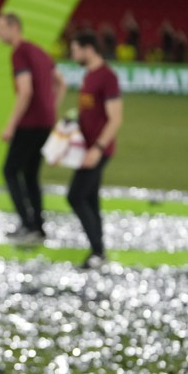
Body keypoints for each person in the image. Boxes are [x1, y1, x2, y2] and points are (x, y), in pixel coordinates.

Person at [0, 12, 66, 244]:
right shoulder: (39, 51)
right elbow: (61, 82)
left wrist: (10, 124)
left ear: (13, 27)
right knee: (30, 175)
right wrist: (51, 108)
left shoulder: (20, 53)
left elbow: (25, 91)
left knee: (9, 171)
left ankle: (28, 224)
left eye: (1, 28)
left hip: (30, 123)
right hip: (45, 122)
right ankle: (38, 226)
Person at [67, 31, 123, 269]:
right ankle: (98, 250)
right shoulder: (89, 76)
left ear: (88, 48)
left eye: (75, 49)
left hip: (99, 150)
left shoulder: (107, 77)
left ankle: (98, 251)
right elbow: (88, 115)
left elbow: (116, 118)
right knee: (90, 198)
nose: (73, 54)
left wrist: (98, 148)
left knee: (75, 196)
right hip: (87, 148)